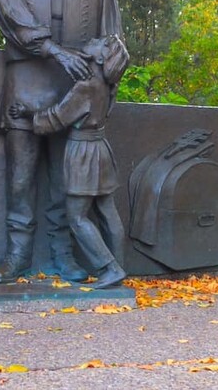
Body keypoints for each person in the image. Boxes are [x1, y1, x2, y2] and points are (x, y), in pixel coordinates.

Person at [0, 0, 123, 283]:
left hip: (78, 85)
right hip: (27, 79)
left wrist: (116, 57)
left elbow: (111, 26)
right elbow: (13, 18)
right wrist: (55, 51)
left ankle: (63, 256)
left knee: (65, 182)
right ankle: (17, 256)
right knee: (21, 178)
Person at [8, 34, 129, 288]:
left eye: (101, 42)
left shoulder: (85, 87)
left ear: (98, 57)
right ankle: (120, 265)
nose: (94, 39)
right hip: (101, 150)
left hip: (82, 152)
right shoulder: (108, 86)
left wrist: (30, 116)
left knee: (76, 217)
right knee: (107, 211)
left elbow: (57, 118)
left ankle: (109, 268)